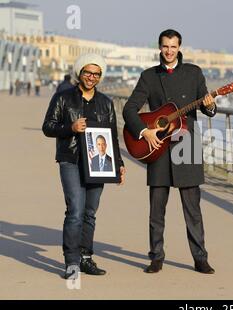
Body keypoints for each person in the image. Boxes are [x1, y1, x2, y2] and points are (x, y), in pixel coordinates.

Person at [123, 29, 217, 274]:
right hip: (158, 144)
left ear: (180, 47)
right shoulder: (148, 76)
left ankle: (200, 258)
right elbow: (130, 110)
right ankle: (156, 257)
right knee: (157, 208)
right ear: (159, 47)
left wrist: (210, 106)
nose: (169, 51)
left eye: (173, 46)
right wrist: (146, 132)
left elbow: (207, 107)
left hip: (187, 144)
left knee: (193, 209)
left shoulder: (194, 73)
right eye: (165, 46)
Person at [42, 53, 126, 279]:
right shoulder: (63, 98)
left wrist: (118, 163)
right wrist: (70, 127)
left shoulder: (106, 103)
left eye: (96, 74)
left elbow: (112, 137)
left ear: (100, 77)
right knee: (76, 211)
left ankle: (86, 258)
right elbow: (48, 127)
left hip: (99, 165)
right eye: (88, 72)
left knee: (90, 213)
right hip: (70, 160)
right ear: (80, 73)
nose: (92, 77)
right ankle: (71, 262)